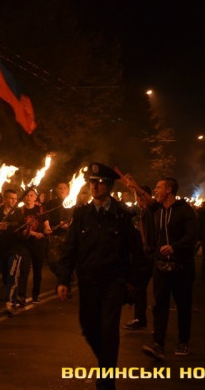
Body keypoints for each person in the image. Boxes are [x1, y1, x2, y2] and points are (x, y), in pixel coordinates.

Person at [56, 163, 143, 390]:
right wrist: (63, 279)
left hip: (114, 281)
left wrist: (133, 281)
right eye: (92, 182)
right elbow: (70, 248)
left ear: (109, 185)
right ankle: (105, 361)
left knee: (109, 329)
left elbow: (136, 252)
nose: (94, 186)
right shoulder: (81, 214)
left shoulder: (123, 215)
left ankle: (106, 379)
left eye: (100, 182)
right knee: (89, 327)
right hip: (88, 282)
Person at [142, 177, 197, 360]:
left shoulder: (185, 211)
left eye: (158, 187)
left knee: (183, 305)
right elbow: (146, 201)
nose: (155, 190)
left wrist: (175, 247)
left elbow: (192, 236)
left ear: (169, 190)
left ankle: (183, 342)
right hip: (160, 266)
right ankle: (158, 344)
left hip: (182, 267)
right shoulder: (158, 211)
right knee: (159, 305)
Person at [122, 183, 158, 330]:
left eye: (136, 195)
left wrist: (136, 187)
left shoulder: (149, 211)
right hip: (145, 255)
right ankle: (140, 318)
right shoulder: (141, 212)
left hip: (148, 256)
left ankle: (141, 319)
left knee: (140, 287)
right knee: (139, 288)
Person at [0, 189, 28, 315]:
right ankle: (13, 297)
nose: (13, 201)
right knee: (6, 276)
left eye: (15, 199)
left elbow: (24, 233)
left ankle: (10, 302)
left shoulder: (18, 214)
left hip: (15, 250)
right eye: (11, 198)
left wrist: (28, 227)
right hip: (2, 250)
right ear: (5, 199)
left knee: (12, 275)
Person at [21, 189, 51, 303]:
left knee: (37, 271)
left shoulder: (41, 209)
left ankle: (36, 294)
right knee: (24, 270)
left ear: (35, 197)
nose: (28, 197)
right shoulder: (21, 210)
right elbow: (22, 229)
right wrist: (34, 233)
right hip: (26, 244)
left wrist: (47, 230)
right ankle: (21, 296)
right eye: (27, 195)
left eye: (31, 195)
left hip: (39, 244)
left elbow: (46, 225)